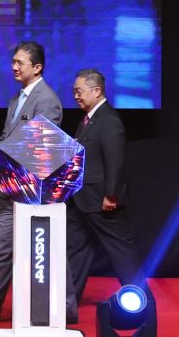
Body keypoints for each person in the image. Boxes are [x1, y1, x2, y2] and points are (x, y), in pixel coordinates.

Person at [0, 41, 63, 323]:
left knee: (42, 251)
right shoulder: (16, 98)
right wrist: (0, 171)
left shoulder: (47, 100)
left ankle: (65, 305)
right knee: (3, 248)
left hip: (30, 191)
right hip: (8, 187)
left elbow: (42, 146)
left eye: (20, 62)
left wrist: (12, 174)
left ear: (38, 67)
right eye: (13, 61)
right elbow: (5, 137)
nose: (14, 67)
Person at [67, 69, 151, 310]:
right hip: (81, 200)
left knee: (121, 252)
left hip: (102, 201)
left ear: (96, 91)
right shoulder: (86, 120)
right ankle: (66, 305)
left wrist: (111, 194)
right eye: (74, 91)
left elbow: (115, 160)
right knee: (75, 251)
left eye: (79, 91)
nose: (75, 96)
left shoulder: (109, 120)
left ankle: (144, 302)